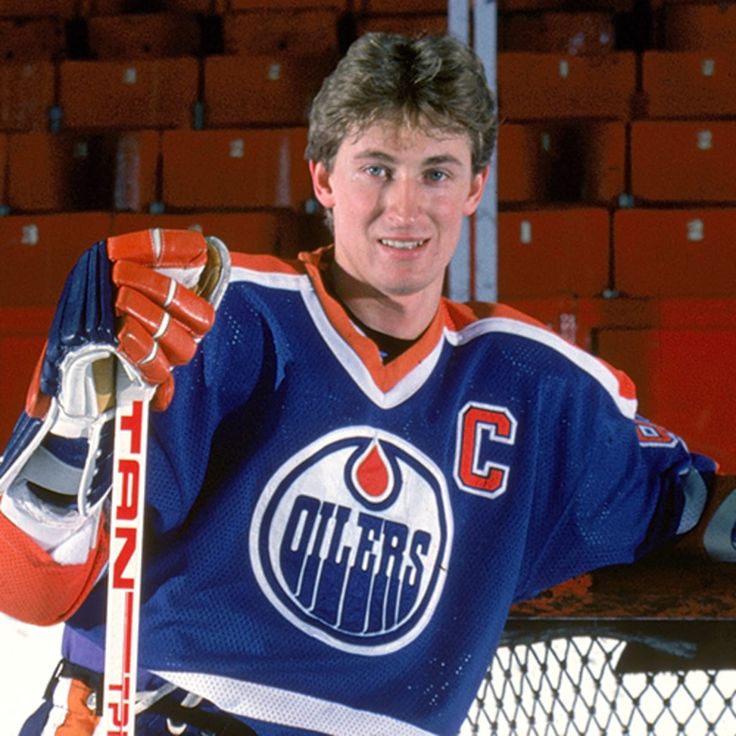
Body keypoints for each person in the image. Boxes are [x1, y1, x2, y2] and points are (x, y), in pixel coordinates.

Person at [0, 31, 720, 736]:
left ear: (475, 188)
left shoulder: (532, 388)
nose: (404, 209)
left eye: (435, 173)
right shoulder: (217, 317)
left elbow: (689, 505)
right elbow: (29, 587)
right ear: (322, 178)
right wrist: (68, 431)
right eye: (376, 168)